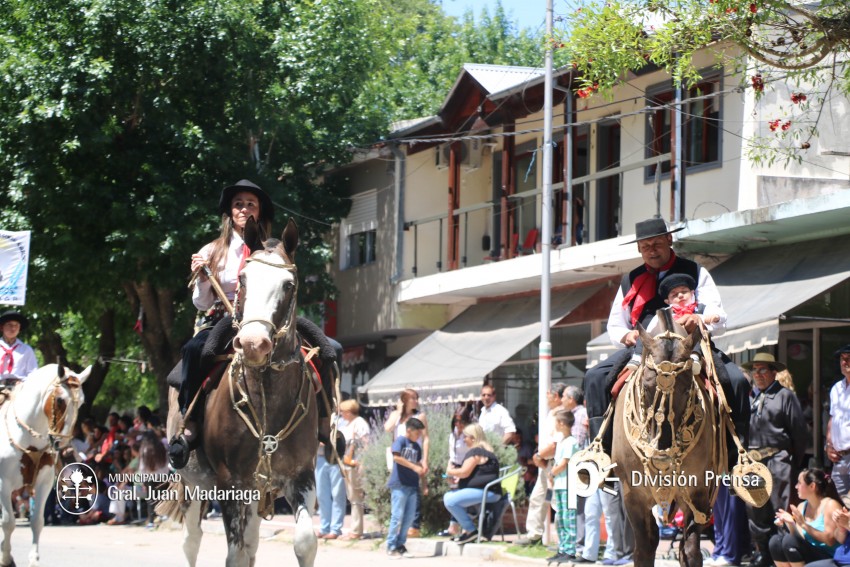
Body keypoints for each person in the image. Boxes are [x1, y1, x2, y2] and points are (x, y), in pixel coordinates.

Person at [583, 218, 750, 458]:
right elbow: (615, 325)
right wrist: (628, 334)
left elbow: (717, 314)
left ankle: (738, 457)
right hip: (644, 348)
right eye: (645, 246)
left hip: (691, 344)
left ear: (669, 240)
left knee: (737, 381)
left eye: (657, 244)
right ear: (639, 248)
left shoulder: (695, 271)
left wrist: (698, 319)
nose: (651, 250)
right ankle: (601, 452)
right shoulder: (629, 280)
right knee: (594, 378)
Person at [168, 179, 273, 469]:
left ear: (259, 212)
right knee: (193, 350)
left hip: (264, 320)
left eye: (251, 204)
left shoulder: (271, 250)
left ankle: (323, 423)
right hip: (222, 320)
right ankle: (190, 420)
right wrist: (203, 278)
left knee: (320, 349)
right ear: (230, 211)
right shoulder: (212, 250)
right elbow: (201, 304)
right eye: (238, 204)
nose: (244, 209)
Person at [744, 352, 808, 567]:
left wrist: (792, 462)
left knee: (779, 508)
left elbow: (800, 433)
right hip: (754, 463)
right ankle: (763, 553)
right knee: (755, 509)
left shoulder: (785, 396)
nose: (758, 374)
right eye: (755, 370)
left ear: (774, 372)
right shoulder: (751, 398)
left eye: (763, 369)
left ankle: (781, 554)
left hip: (778, 460)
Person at [516, 382, 566, 546]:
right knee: (539, 498)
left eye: (549, 394)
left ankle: (564, 542)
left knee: (556, 502)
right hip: (546, 466)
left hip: (555, 465)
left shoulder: (562, 415)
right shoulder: (552, 413)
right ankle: (534, 536)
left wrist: (539, 455)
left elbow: (556, 444)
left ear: (556, 396)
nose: (546, 397)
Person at [442, 423, 502, 545]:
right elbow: (477, 474)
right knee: (455, 497)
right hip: (490, 492)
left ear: (473, 438)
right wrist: (457, 479)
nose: (464, 440)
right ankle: (463, 531)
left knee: (449, 500)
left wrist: (449, 471)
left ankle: (470, 530)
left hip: (486, 492)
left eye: (466, 437)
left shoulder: (475, 452)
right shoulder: (487, 452)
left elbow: (464, 472)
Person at [769, 468, 842, 566]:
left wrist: (803, 524)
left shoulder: (830, 505)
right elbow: (798, 539)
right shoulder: (802, 506)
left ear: (812, 486)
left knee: (788, 541)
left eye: (799, 483)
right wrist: (791, 523)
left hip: (828, 557)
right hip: (810, 552)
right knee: (775, 542)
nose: (796, 487)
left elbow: (830, 540)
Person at [384, 388, 429, 538]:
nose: (415, 401)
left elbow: (426, 438)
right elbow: (387, 428)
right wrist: (398, 412)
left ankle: (414, 526)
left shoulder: (419, 416)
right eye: (412, 398)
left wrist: (425, 459)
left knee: (413, 487)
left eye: (416, 398)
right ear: (404, 400)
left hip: (414, 454)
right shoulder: (396, 416)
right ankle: (399, 525)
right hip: (399, 454)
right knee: (399, 488)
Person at [386, 417, 426, 559]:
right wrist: (414, 466)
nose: (419, 436)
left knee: (409, 518)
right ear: (409, 430)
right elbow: (396, 457)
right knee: (397, 516)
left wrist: (424, 483)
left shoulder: (417, 447)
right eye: (417, 433)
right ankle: (391, 546)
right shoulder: (401, 441)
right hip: (399, 485)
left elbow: (419, 464)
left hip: (412, 486)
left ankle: (400, 544)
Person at [548, 410, 584, 563]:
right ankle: (562, 548)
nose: (555, 425)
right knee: (560, 518)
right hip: (560, 485)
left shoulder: (571, 442)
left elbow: (563, 463)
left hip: (569, 484)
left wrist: (552, 473)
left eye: (557, 422)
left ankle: (569, 550)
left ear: (562, 423)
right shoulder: (563, 441)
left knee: (568, 518)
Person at [439, 406, 473, 538]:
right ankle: (454, 526)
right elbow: (452, 456)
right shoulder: (452, 434)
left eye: (461, 421)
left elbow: (471, 455)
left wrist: (461, 473)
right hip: (455, 466)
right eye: (456, 421)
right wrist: (449, 472)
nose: (458, 424)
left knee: (461, 497)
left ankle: (460, 527)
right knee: (454, 495)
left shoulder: (469, 435)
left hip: (467, 467)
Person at [338, 399, 370, 540]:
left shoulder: (360, 423)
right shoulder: (348, 424)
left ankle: (356, 531)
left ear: (349, 412)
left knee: (356, 497)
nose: (341, 414)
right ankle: (354, 529)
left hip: (355, 463)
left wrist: (362, 462)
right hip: (347, 463)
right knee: (352, 497)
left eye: (343, 411)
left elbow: (366, 444)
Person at [827, 345, 850, 499]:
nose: (844, 362)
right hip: (839, 458)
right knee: (838, 505)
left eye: (848, 358)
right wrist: (828, 445)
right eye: (842, 358)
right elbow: (833, 419)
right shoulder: (836, 388)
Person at [0, 310, 38, 383]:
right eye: (9, 325)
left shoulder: (26, 350)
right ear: (2, 327)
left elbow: (32, 372)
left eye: (16, 325)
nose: (13, 328)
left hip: (20, 385)